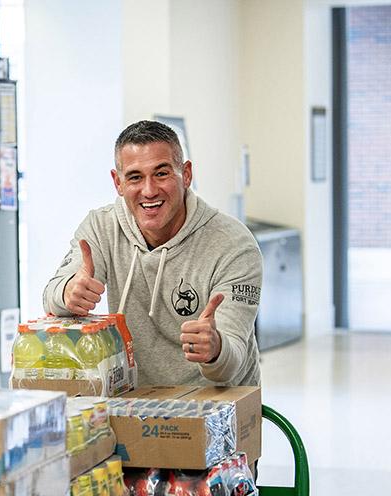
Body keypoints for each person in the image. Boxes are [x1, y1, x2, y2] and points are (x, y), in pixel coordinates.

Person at [42, 120, 262, 386]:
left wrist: (215, 349)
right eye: (135, 177)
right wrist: (67, 293)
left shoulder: (233, 244)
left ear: (186, 174)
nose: (149, 191)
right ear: (118, 182)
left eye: (161, 174)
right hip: (138, 399)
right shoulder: (102, 227)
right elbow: (51, 295)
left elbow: (231, 362)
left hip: (220, 402)